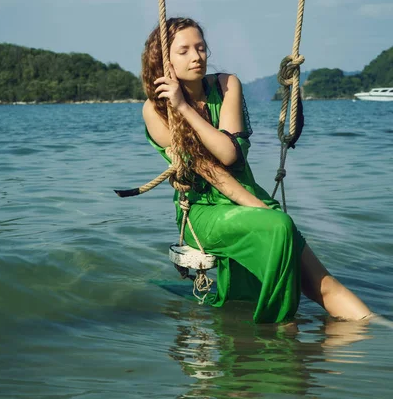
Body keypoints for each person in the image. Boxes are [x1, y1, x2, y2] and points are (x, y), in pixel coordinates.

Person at [141, 17, 372, 323]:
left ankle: (377, 332)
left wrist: (186, 107)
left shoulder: (226, 86)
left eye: (201, 47)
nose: (197, 56)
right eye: (184, 51)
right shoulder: (155, 109)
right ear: (164, 60)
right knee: (279, 226)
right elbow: (215, 173)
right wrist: (180, 107)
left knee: (321, 283)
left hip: (248, 196)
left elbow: (229, 154)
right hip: (206, 212)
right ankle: (278, 333)